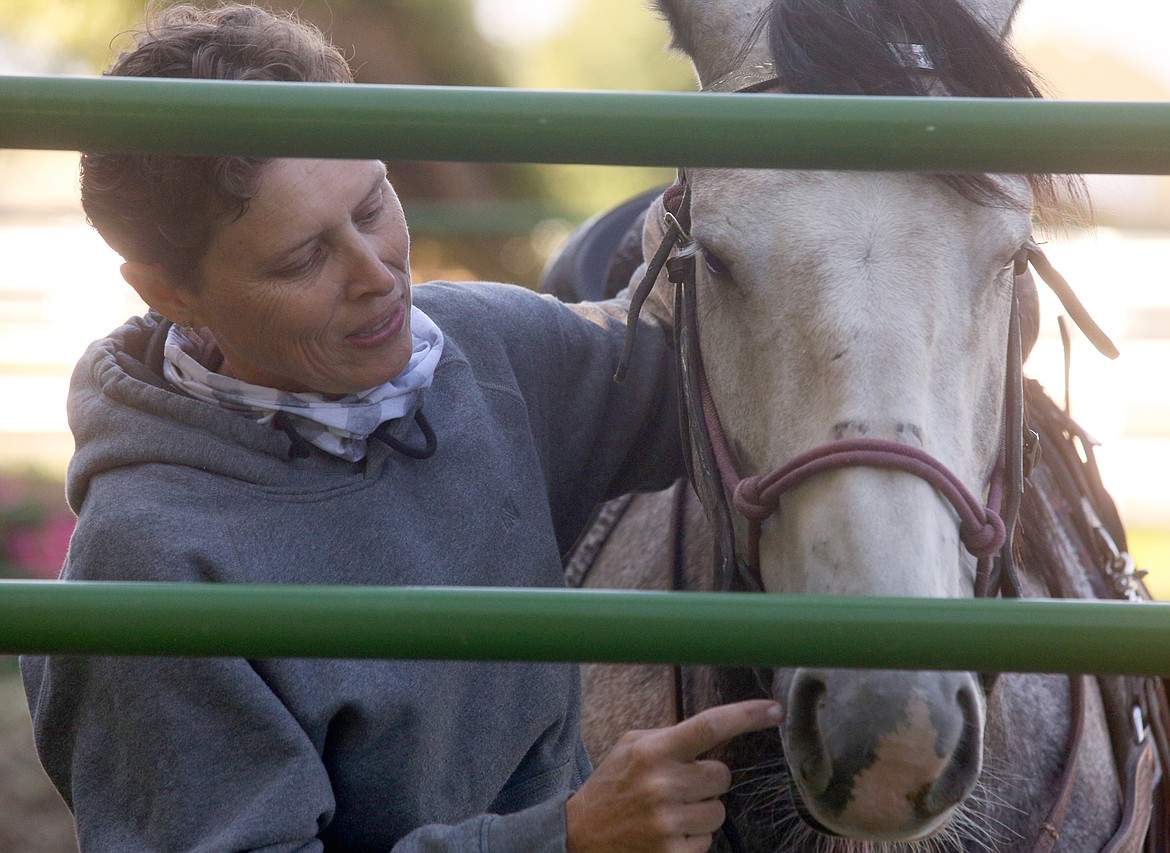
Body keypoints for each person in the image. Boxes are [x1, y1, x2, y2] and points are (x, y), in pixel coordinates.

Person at [20, 5, 783, 851]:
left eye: (373, 202)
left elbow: (710, 376)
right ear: (168, 293)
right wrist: (564, 839)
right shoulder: (149, 568)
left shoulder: (479, 348)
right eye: (302, 258)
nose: (377, 273)